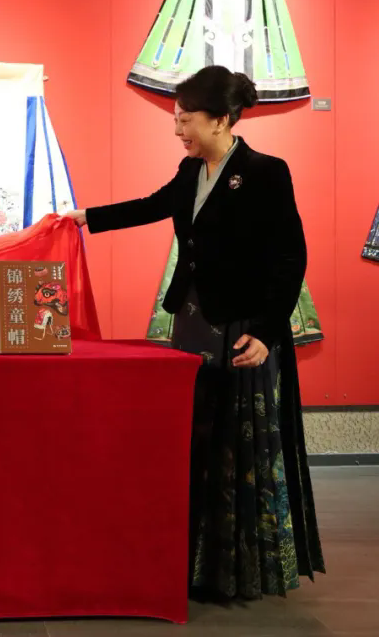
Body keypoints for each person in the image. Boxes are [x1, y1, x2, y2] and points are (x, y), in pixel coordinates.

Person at [67, 65, 324, 601]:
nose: (178, 129)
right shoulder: (191, 170)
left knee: (235, 445)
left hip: (241, 328)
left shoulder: (265, 172)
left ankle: (235, 570)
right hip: (191, 321)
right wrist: (82, 218)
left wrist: (267, 332)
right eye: (176, 119)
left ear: (222, 120)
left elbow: (290, 257)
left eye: (186, 120)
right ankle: (191, 560)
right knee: (194, 438)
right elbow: (151, 206)